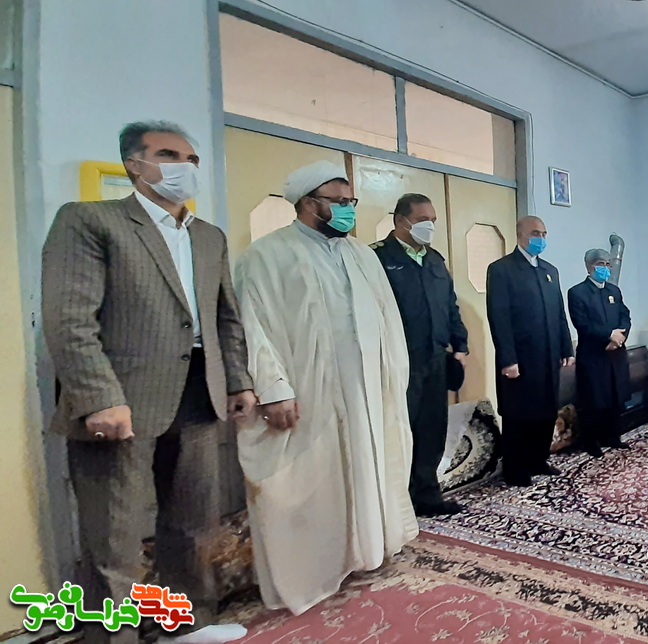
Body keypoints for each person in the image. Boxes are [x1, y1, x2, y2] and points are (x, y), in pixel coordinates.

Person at [42, 121, 255, 644]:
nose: (185, 166)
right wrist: (98, 397)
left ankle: (185, 624)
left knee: (192, 524)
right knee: (113, 536)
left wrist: (238, 381)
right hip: (121, 399)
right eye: (169, 155)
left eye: (191, 158)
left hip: (198, 395)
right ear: (134, 165)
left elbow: (224, 317)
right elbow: (70, 319)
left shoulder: (208, 237)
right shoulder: (92, 221)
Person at [235, 160, 417, 615]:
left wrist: (393, 374)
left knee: (367, 467)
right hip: (306, 394)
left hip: (366, 390)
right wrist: (274, 389)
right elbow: (252, 329)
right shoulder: (266, 255)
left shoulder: (361, 255)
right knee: (312, 480)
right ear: (307, 203)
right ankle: (313, 572)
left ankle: (366, 551)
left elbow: (388, 321)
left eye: (350, 201)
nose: (347, 209)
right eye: (337, 201)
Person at [371, 193, 470, 517]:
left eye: (433, 220)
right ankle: (396, 502)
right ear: (401, 220)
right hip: (399, 361)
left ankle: (427, 496)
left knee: (431, 429)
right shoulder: (377, 258)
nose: (430, 226)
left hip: (435, 358)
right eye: (423, 220)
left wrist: (460, 344)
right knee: (399, 431)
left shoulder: (435, 259)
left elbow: (450, 305)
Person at [486, 215, 574, 486]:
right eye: (536, 233)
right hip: (520, 359)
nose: (541, 239)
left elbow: (559, 313)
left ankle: (538, 460)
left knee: (546, 411)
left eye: (544, 234)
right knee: (519, 414)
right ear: (520, 235)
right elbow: (499, 317)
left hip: (548, 356)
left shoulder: (549, 271)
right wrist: (508, 359)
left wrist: (566, 347)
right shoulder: (502, 269)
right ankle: (515, 468)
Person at [567, 249, 633, 457]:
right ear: (589, 267)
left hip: (615, 354)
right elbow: (582, 324)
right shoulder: (577, 292)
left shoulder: (614, 291)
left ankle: (612, 436)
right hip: (593, 355)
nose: (605, 268)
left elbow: (625, 316)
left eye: (607, 264)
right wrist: (608, 336)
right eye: (600, 264)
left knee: (615, 397)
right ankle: (591, 442)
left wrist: (620, 337)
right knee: (594, 401)